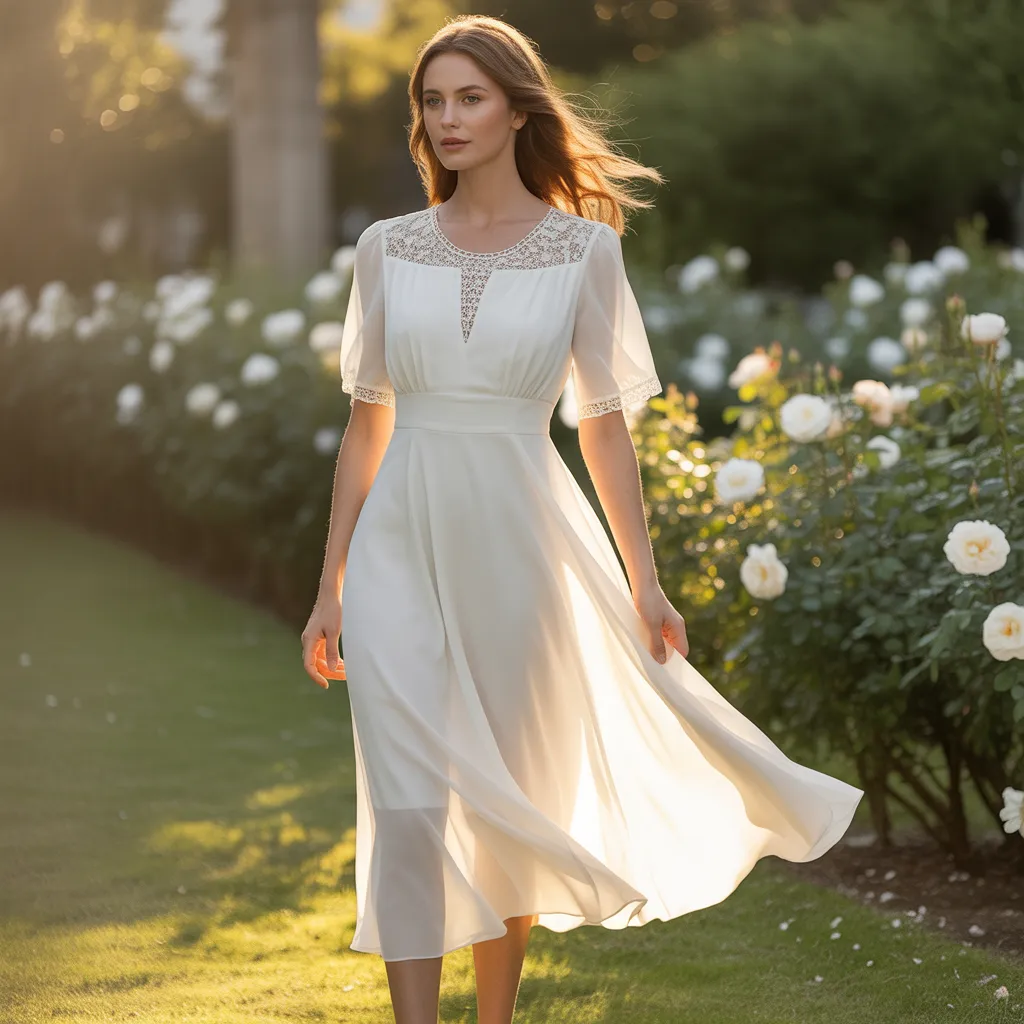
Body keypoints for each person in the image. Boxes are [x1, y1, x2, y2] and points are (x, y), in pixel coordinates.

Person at [300, 14, 864, 1024]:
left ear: (518, 110)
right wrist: (329, 585)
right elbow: (364, 428)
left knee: (511, 796)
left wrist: (644, 581)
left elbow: (603, 431)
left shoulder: (581, 251)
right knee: (410, 807)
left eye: (469, 97)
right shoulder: (385, 248)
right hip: (397, 549)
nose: (447, 117)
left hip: (521, 543)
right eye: (432, 101)